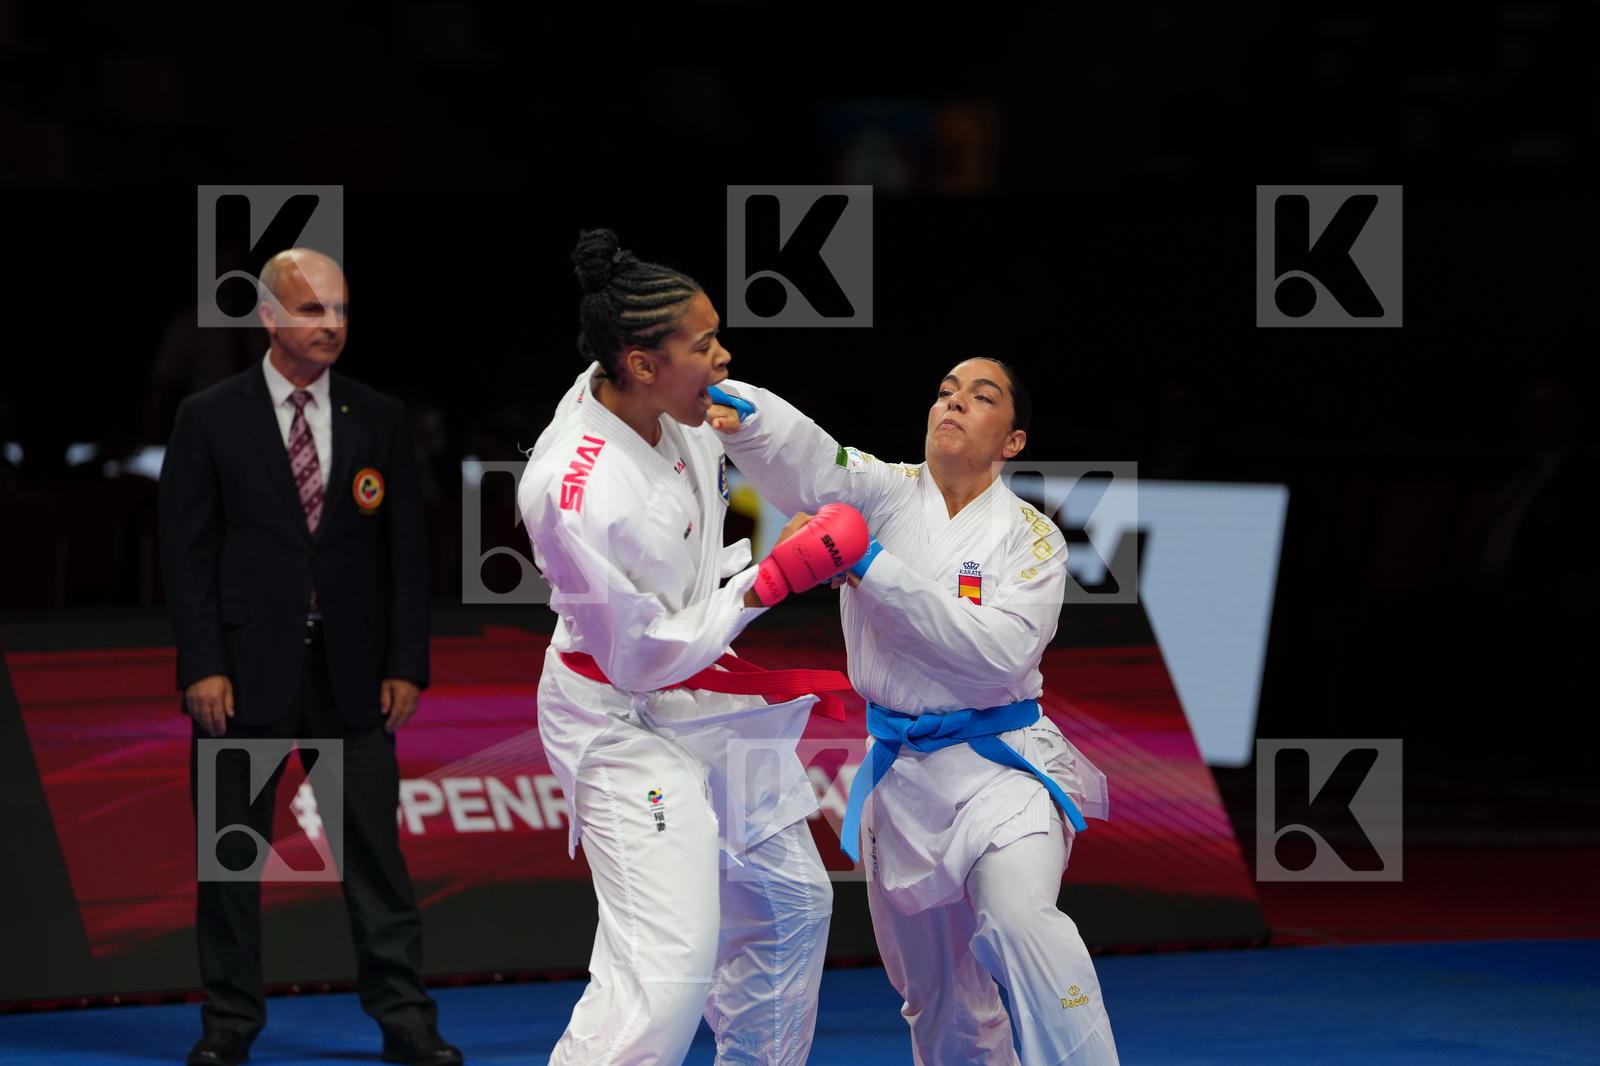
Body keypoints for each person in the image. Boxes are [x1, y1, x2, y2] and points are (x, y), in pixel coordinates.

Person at [709, 358, 1120, 1065]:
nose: (953, 403)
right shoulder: (882, 492)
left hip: (1004, 770)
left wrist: (870, 566)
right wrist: (744, 411)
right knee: (940, 1000)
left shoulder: (1034, 538)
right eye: (944, 392)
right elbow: (813, 457)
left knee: (1023, 923)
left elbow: (996, 655)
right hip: (901, 780)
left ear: (1012, 442)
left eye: (980, 397)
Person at [519, 230, 864, 1066]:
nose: (723, 355)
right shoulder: (575, 490)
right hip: (620, 715)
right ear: (641, 362)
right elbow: (637, 658)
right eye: (703, 344)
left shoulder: (666, 402)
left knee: (788, 903)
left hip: (705, 695)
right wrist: (766, 586)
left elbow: (829, 477)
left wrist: (766, 433)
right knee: (666, 972)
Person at [160, 248, 461, 1066]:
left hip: (358, 676)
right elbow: (185, 554)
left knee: (377, 862)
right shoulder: (209, 417)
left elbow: (407, 553)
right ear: (268, 316)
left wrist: (407, 662)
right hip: (241, 677)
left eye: (340, 310)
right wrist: (201, 665)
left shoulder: (379, 416)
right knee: (231, 863)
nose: (331, 325)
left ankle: (406, 1022)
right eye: (312, 310)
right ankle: (228, 1025)